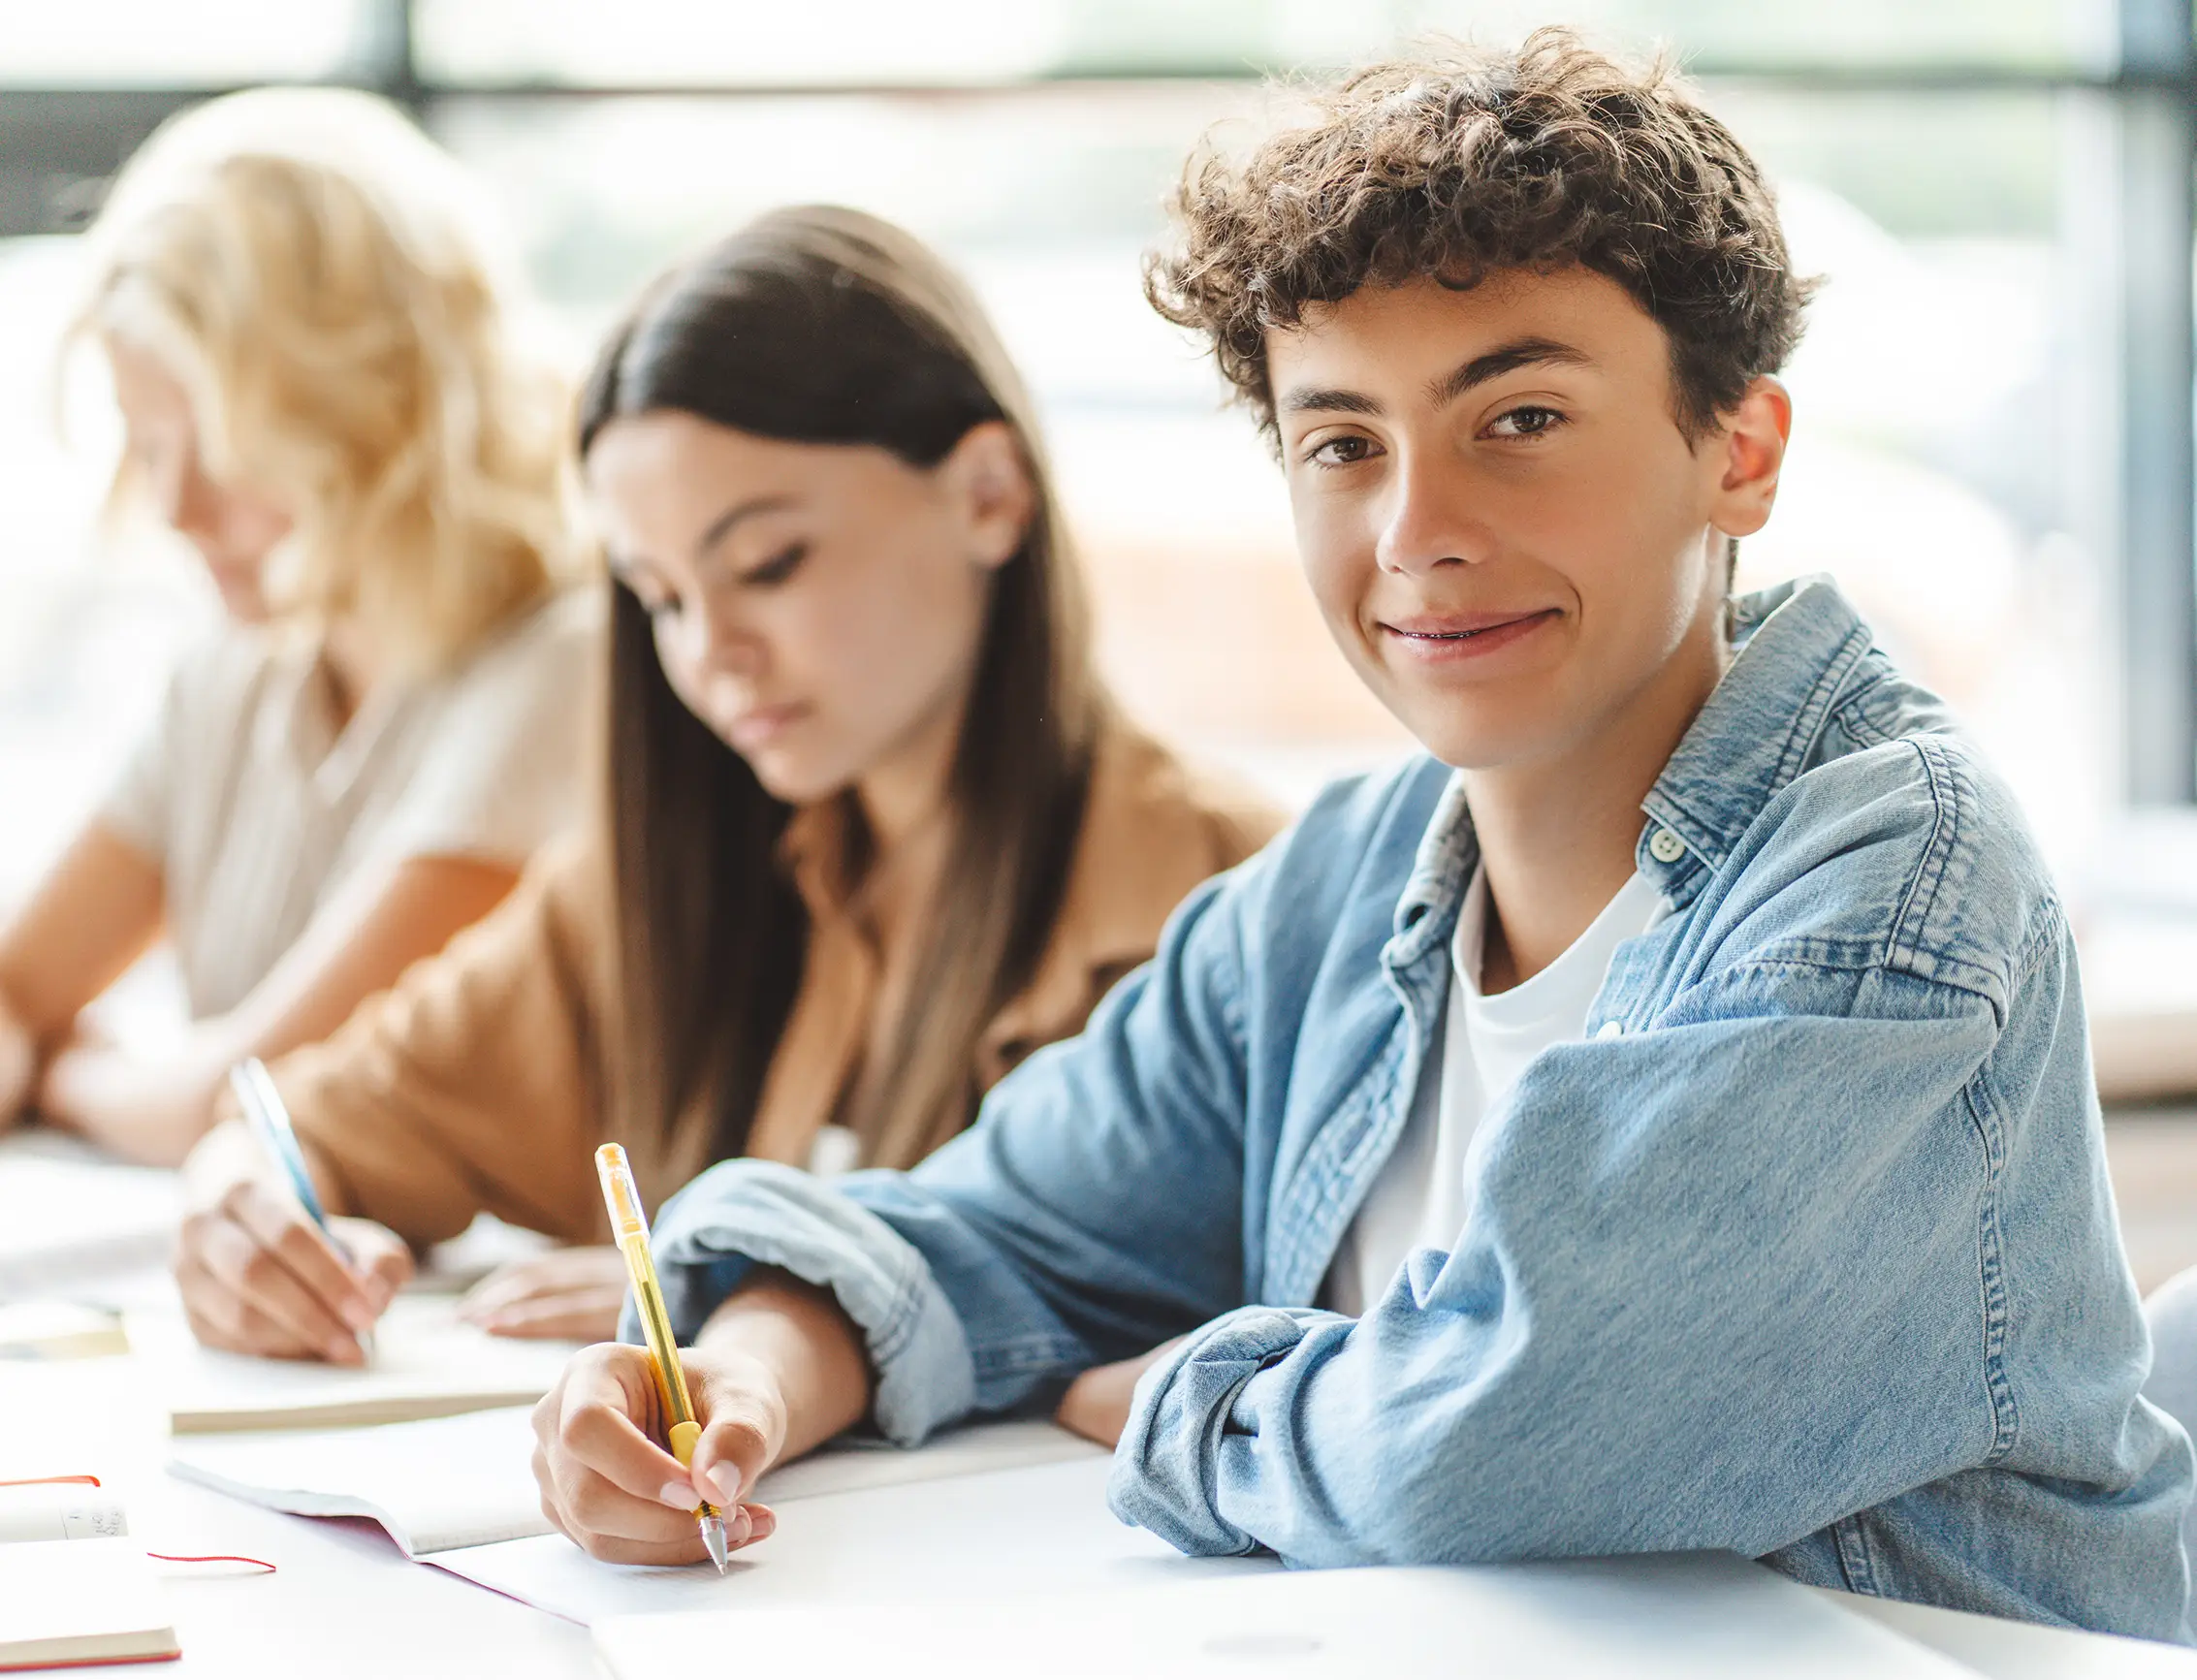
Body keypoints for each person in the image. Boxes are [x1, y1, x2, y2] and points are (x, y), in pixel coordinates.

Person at [528, 34, 2192, 1641]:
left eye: (1517, 419)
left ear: (1736, 453)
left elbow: (1509, 1428)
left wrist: (1159, 1387)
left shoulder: (1889, 876)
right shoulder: (1334, 891)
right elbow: (982, 1232)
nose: (1416, 531)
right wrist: (741, 1373)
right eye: (1342, 443)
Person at [168, 206, 1281, 1363]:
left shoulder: (1229, 894)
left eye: (767, 564)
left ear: (990, 494)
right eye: (661, 596)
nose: (711, 652)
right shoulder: (663, 874)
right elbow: (318, 1120)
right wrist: (241, 1205)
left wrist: (746, 1282)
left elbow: (1239, 1331)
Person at [0, 88, 593, 1166]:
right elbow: (14, 987)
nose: (173, 509)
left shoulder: (564, 662)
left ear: (361, 412)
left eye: (216, 447)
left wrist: (72, 1067)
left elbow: (255, 1098)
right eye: (146, 445)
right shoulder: (239, 668)